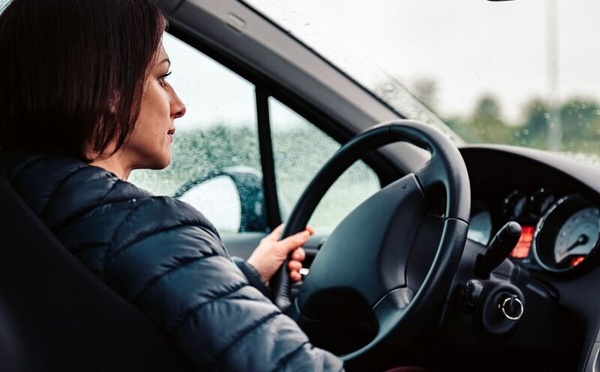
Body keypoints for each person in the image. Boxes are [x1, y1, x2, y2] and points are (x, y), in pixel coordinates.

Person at [0, 0, 344, 370]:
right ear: (110, 92)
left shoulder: (20, 203)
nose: (178, 105)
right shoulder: (149, 224)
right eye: (161, 78)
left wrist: (248, 275)